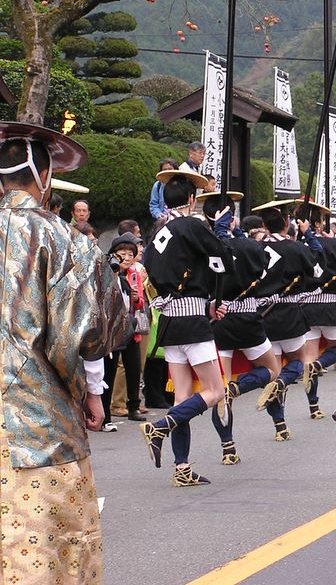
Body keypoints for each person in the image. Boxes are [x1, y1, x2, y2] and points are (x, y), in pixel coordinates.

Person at [0, 122, 128, 583]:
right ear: (45, 176)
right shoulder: (63, 239)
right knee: (47, 547)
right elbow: (85, 336)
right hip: (38, 421)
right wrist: (90, 392)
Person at [139, 169, 234, 487]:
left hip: (169, 320)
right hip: (192, 322)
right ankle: (162, 426)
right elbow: (223, 258)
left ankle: (182, 467)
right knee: (215, 390)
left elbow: (154, 270)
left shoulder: (159, 233)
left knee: (182, 395)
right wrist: (220, 230)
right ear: (192, 200)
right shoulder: (189, 225)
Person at [197, 191, 282, 465]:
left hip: (217, 318)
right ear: (231, 218)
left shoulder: (203, 246)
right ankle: (241, 389)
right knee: (272, 371)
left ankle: (228, 447)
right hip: (247, 317)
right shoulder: (250, 247)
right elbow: (264, 270)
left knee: (219, 389)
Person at [252, 199, 321, 441]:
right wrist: (308, 236)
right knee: (299, 364)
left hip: (262, 315)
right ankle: (282, 382)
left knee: (269, 371)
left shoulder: (254, 248)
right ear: (286, 222)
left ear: (263, 224)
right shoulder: (296, 248)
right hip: (289, 314)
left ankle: (280, 425)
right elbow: (317, 271)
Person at [298, 202, 336, 419]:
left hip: (306, 303)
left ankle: (313, 405)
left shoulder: (298, 246)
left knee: (308, 356)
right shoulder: (334, 244)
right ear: (319, 223)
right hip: (329, 301)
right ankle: (321, 364)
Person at [102, 232, 147, 428]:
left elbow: (138, 305)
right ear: (113, 254)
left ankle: (133, 406)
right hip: (111, 331)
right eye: (122, 253)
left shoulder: (134, 275)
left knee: (134, 367)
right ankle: (105, 413)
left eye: (131, 254)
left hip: (130, 328)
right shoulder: (105, 274)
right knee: (108, 372)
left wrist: (136, 298)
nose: (127, 257)